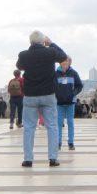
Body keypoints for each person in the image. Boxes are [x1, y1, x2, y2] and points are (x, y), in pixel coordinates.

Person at [16, 30, 67, 167]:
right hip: (48, 94)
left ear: (30, 41)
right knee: (52, 127)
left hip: (30, 95)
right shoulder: (50, 52)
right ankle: (53, 158)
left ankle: (28, 159)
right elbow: (63, 56)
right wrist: (51, 44)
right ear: (42, 41)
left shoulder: (24, 55)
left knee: (29, 128)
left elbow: (19, 66)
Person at [55, 58, 84, 151]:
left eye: (66, 62)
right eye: (63, 62)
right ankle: (58, 143)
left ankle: (70, 143)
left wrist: (73, 93)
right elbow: (52, 86)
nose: (64, 64)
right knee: (59, 124)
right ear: (60, 63)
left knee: (70, 123)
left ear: (69, 63)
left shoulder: (74, 73)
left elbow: (79, 85)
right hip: (59, 103)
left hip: (70, 102)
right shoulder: (55, 74)